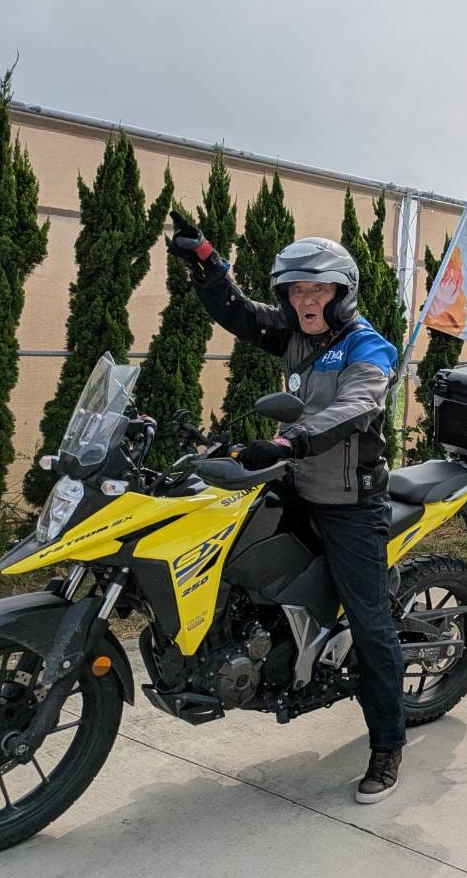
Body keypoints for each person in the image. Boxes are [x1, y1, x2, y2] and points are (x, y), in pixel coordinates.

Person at [167, 212, 408, 805]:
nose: (306, 300)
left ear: (342, 292)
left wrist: (288, 441)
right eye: (297, 290)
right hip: (296, 483)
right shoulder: (295, 333)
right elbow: (239, 313)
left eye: (318, 289)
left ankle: (387, 745)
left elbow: (354, 406)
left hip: (351, 504)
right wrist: (207, 265)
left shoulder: (367, 346)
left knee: (371, 624)